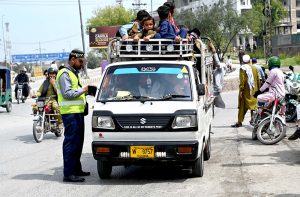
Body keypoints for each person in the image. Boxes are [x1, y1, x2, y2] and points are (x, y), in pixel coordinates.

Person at [56, 49, 90, 182]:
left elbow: (75, 92)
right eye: (80, 61)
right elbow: (67, 94)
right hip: (70, 113)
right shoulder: (64, 73)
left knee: (78, 142)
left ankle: (76, 169)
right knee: (71, 143)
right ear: (73, 59)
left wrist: (85, 93)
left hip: (77, 112)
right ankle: (69, 174)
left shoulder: (73, 73)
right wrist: (84, 89)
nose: (82, 64)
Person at [231, 54, 260, 127]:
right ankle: (253, 120)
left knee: (242, 105)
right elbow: (258, 79)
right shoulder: (254, 68)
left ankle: (239, 122)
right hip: (254, 90)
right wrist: (259, 90)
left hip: (246, 91)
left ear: (243, 61)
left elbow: (242, 80)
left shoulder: (242, 68)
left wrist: (241, 90)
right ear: (249, 60)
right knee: (253, 106)